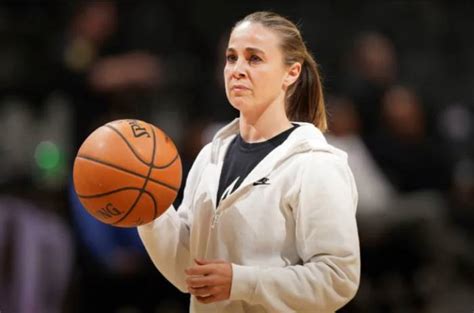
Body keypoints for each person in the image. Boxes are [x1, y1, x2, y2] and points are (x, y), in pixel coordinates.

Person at [138, 11, 360, 313]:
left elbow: (338, 278)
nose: (237, 69)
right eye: (231, 58)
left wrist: (241, 281)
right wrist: (149, 211)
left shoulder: (315, 164)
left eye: (254, 59)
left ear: (291, 73)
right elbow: (188, 272)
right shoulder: (209, 157)